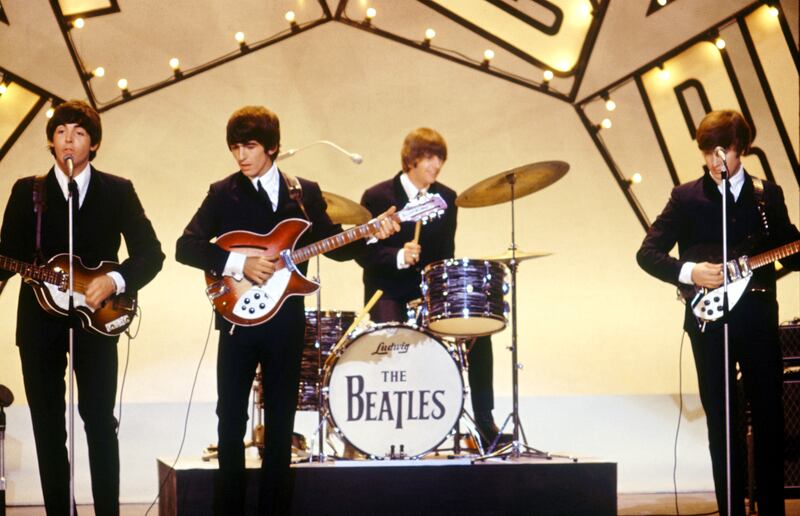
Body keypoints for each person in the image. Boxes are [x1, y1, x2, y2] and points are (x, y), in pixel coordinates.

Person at [175, 105, 398, 515]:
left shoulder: (304, 191)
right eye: (235, 148)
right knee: (231, 426)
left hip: (286, 322)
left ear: (273, 147)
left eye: (250, 146)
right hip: (237, 319)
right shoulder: (223, 192)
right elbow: (185, 247)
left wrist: (371, 234)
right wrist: (240, 264)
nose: (241, 156)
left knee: (280, 429)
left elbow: (333, 243)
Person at [0, 100, 165, 515]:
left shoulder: (118, 190)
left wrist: (116, 280)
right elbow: (7, 255)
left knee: (99, 423)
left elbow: (151, 253)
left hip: (98, 322)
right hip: (38, 327)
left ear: (93, 144)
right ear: (50, 142)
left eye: (78, 133)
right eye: (60, 133)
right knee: (48, 427)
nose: (68, 141)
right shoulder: (28, 191)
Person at [636, 110, 799, 516]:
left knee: (769, 414)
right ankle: (731, 508)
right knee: (720, 418)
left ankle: (773, 508)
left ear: (741, 149)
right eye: (708, 151)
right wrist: (691, 271)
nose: (714, 160)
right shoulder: (686, 197)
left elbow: (790, 249)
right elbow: (648, 253)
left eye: (722, 151)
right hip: (709, 324)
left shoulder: (768, 195)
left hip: (758, 319)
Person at [357, 127, 509, 448]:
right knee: (393, 338)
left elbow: (445, 255)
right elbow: (365, 254)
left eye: (440, 159)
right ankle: (393, 429)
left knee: (479, 331)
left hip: (429, 293)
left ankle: (484, 421)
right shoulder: (378, 196)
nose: (436, 165)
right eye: (429, 157)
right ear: (411, 159)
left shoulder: (446, 198)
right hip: (389, 291)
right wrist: (399, 255)